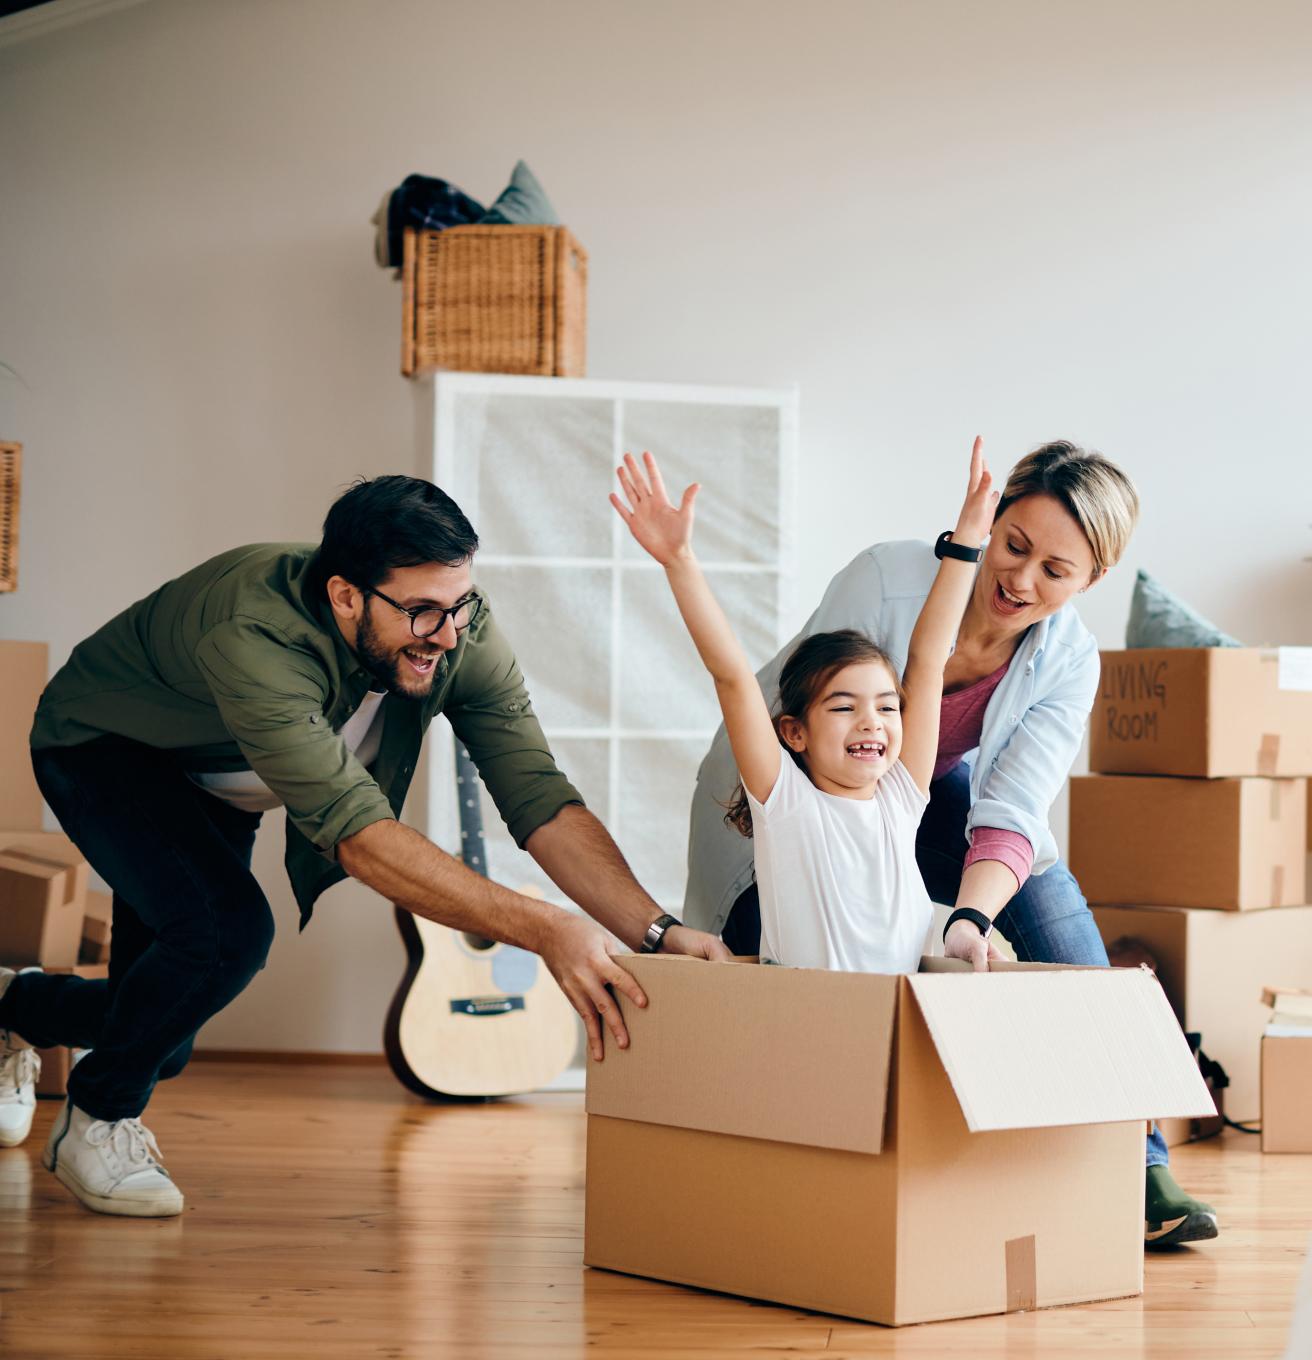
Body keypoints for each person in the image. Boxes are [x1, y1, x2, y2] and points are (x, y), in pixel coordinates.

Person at [0, 474, 728, 1218]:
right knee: (226, 936)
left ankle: (13, 1004)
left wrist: (656, 930)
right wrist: (546, 930)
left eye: (460, 605)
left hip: (220, 780)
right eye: (421, 612)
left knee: (162, 1025)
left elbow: (537, 795)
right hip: (107, 749)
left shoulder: (458, 634)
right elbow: (357, 835)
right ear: (347, 595)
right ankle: (97, 1119)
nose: (447, 635)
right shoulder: (256, 635)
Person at [682, 437, 1217, 1250]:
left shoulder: (1067, 658)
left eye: (1056, 570)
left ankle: (1136, 1163)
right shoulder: (886, 582)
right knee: (799, 1013)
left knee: (1045, 896)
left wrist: (966, 919)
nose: (1022, 580)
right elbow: (811, 710)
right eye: (1014, 545)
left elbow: (1010, 804)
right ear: (992, 520)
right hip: (788, 793)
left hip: (914, 795)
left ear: (1092, 581)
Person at [612, 444, 997, 973]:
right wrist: (680, 562)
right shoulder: (787, 803)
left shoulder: (902, 799)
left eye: (887, 708)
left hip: (893, 1023)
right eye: (844, 708)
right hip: (809, 1026)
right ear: (794, 733)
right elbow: (732, 678)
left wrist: (969, 541)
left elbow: (928, 661)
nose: (872, 722)